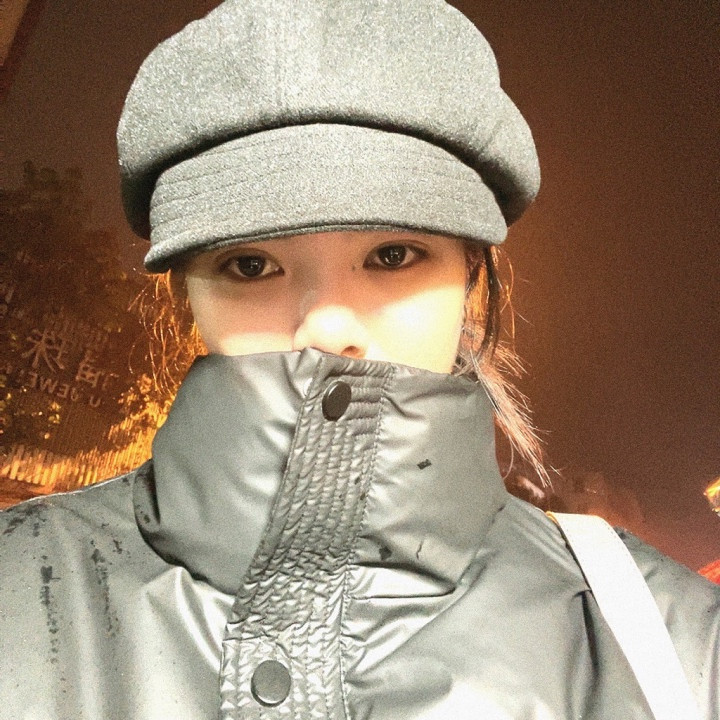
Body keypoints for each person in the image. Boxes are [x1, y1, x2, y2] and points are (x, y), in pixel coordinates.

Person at [1, 1, 717, 719]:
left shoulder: (676, 647)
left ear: (472, 276)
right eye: (250, 264)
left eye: (393, 255)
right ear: (186, 293)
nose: (326, 325)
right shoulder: (19, 586)